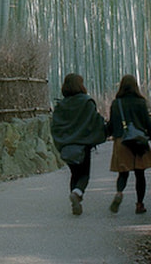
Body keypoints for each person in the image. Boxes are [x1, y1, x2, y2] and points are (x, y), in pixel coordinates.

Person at [50, 73, 107, 215]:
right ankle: (77, 193)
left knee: (74, 174)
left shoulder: (60, 105)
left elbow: (54, 126)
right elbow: (95, 122)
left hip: (66, 147)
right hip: (83, 145)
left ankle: (74, 200)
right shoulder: (87, 102)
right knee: (84, 175)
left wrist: (61, 143)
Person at [106, 74, 151, 214]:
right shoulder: (140, 102)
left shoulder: (116, 103)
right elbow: (148, 124)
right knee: (140, 174)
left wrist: (103, 134)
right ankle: (140, 204)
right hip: (139, 141)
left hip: (121, 142)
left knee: (123, 174)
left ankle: (119, 193)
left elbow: (111, 125)